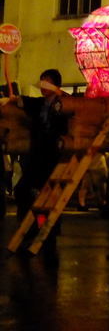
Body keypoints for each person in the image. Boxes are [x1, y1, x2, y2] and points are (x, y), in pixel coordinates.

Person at [10, 69, 72, 221]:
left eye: (47, 82)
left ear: (56, 85)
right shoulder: (39, 103)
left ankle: (45, 231)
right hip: (37, 156)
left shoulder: (64, 103)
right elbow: (22, 101)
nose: (43, 86)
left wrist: (58, 93)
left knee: (47, 196)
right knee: (23, 191)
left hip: (53, 157)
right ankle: (29, 229)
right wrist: (12, 98)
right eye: (42, 81)